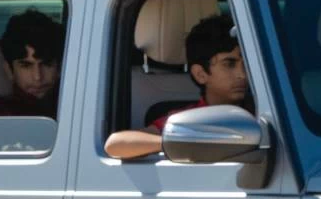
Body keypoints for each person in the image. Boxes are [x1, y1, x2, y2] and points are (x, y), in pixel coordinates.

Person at [105, 12, 251, 160]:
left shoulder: (263, 112)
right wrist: (180, 142)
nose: (243, 74)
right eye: (229, 64)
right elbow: (115, 144)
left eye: (247, 64)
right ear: (200, 74)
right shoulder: (186, 120)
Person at [0, 9, 64, 119]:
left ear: (60, 68)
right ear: (9, 70)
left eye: (46, 64)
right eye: (26, 66)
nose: (37, 77)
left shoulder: (77, 105)